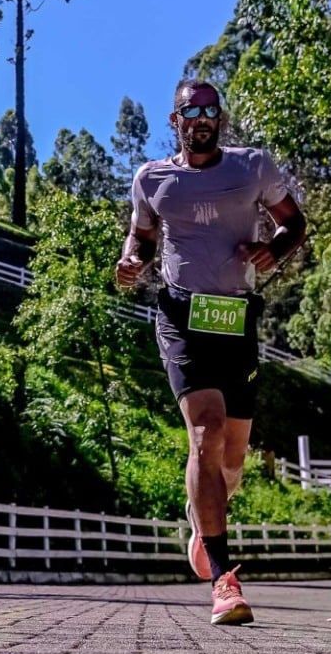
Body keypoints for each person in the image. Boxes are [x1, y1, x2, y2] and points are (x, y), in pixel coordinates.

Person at [114, 78, 306, 626]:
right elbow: (142, 241)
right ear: (174, 121)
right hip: (180, 315)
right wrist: (132, 263)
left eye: (210, 110)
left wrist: (275, 250)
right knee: (206, 431)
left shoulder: (252, 168)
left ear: (219, 119)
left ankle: (202, 522)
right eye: (189, 111)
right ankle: (224, 582)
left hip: (235, 315)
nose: (200, 118)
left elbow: (294, 221)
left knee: (233, 460)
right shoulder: (152, 179)